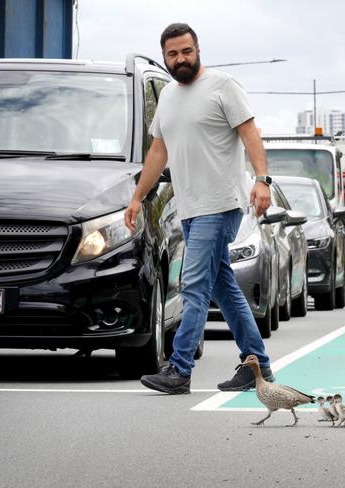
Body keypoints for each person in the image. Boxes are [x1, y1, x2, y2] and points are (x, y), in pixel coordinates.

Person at [124, 23, 275, 394]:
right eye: (173, 54)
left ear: (197, 50)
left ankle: (179, 368)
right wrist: (138, 197)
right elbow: (158, 151)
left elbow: (250, 132)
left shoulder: (223, 87)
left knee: (193, 284)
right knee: (223, 287)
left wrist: (262, 179)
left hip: (220, 202)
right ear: (165, 57)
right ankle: (257, 364)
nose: (181, 59)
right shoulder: (168, 97)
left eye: (186, 51)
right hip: (190, 207)